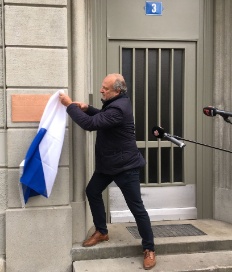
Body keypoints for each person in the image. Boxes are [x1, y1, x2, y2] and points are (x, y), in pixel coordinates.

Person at [59, 73, 156, 270]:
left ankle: (149, 248)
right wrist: (88, 108)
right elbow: (102, 117)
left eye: (106, 88)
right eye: (102, 86)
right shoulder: (117, 102)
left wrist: (69, 105)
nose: (102, 90)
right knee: (92, 191)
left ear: (117, 91)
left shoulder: (119, 108)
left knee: (136, 208)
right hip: (108, 165)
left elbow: (90, 124)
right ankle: (102, 232)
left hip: (125, 167)